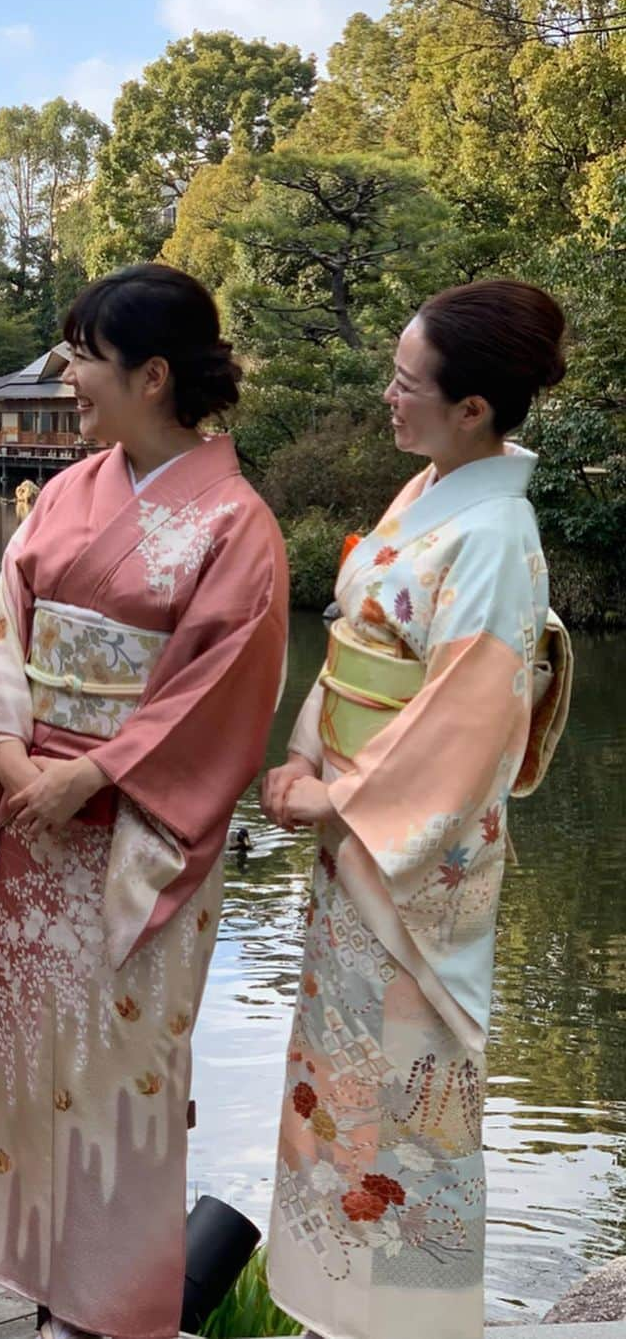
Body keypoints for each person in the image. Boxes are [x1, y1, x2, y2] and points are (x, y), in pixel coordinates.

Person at [0, 263, 289, 1339]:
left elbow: (223, 685)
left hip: (139, 832)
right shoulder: (66, 493)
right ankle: (52, 1292)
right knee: (37, 1055)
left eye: (86, 356)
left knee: (126, 1070)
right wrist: (9, 758)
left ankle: (115, 1311)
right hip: (37, 830)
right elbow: (8, 626)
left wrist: (93, 771)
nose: (72, 377)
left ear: (152, 373)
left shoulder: (237, 525)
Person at [261, 280, 573, 1339]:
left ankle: (405, 1322)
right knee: (342, 1088)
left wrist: (332, 793)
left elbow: (463, 721)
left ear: (475, 406)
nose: (389, 397)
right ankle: (331, 1313)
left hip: (403, 865)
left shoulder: (494, 534)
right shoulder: (431, 492)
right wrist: (303, 750)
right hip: (355, 853)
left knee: (408, 1103)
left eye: (407, 383)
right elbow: (354, 642)